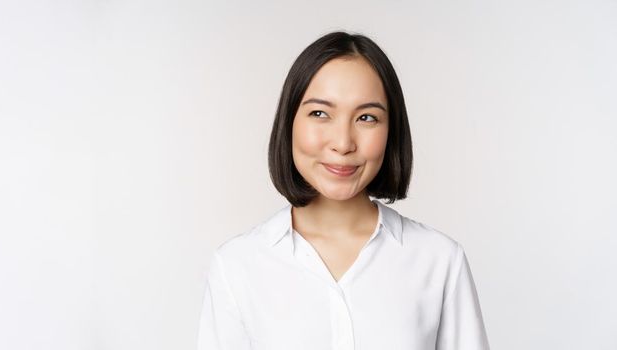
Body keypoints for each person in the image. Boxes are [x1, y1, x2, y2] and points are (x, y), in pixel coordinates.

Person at [196, 30, 490, 350]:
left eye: (366, 117)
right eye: (320, 113)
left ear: (391, 131)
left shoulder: (440, 261)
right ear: (289, 121)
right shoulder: (237, 265)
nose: (343, 143)